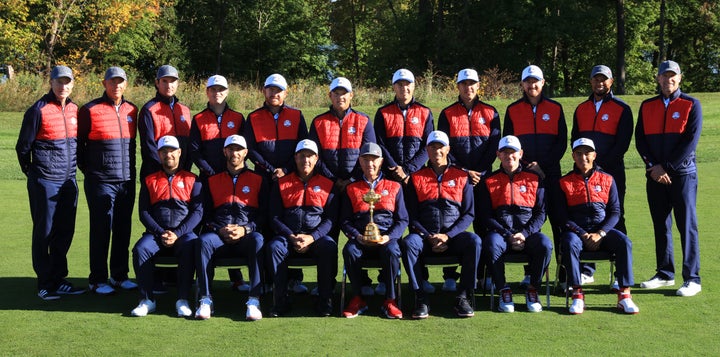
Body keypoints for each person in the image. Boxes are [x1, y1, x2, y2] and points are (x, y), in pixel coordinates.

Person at [16, 65, 85, 300]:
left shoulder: (76, 109)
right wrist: (34, 173)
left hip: (68, 181)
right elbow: (23, 148)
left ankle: (58, 278)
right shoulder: (38, 110)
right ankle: (44, 283)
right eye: (59, 82)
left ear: (72, 84)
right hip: (45, 181)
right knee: (44, 232)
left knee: (64, 231)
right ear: (51, 82)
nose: (63, 86)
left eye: (67, 82)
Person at [635, 60, 702, 297]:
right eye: (664, 76)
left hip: (682, 176)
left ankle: (692, 278)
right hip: (654, 175)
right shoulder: (647, 106)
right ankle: (664, 273)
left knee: (686, 225)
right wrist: (654, 167)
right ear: (658, 78)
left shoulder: (691, 104)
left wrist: (667, 167)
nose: (668, 80)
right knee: (661, 224)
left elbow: (690, 142)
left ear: (680, 78)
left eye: (672, 76)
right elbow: (640, 140)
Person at [402, 131, 481, 319]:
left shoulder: (462, 177)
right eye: (432, 147)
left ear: (448, 149)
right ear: (427, 150)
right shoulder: (416, 177)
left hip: (453, 237)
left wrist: (448, 235)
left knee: (474, 241)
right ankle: (420, 297)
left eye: (440, 147)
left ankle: (463, 296)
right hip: (425, 237)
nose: (436, 150)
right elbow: (411, 215)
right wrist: (429, 236)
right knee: (408, 243)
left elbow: (469, 214)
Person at [557, 138, 639, 315]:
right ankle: (577, 295)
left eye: (587, 153)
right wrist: (583, 234)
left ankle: (625, 296)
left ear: (594, 155)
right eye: (579, 153)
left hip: (602, 231)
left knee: (624, 242)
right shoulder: (564, 182)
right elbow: (561, 217)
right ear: (573, 156)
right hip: (577, 232)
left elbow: (615, 212)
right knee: (569, 243)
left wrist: (600, 233)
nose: (583, 157)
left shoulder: (607, 179)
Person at [437, 68, 501, 292]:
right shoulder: (447, 113)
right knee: (450, 222)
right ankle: (450, 276)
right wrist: (464, 171)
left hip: (482, 179)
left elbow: (494, 145)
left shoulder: (491, 112)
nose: (468, 87)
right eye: (464, 84)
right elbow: (445, 149)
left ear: (478, 85)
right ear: (458, 87)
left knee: (484, 226)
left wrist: (480, 172)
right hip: (455, 179)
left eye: (472, 83)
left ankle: (484, 274)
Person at [503, 65, 567, 287]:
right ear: (522, 84)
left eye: (536, 81)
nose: (532, 85)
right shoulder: (512, 110)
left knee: (560, 223)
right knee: (528, 220)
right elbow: (509, 144)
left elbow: (561, 142)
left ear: (543, 82)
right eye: (528, 82)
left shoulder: (556, 108)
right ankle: (531, 273)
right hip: (525, 175)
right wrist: (529, 165)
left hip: (551, 174)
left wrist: (544, 167)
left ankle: (564, 274)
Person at [245, 73, 309, 294]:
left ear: (286, 92)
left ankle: (293, 278)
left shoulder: (296, 115)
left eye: (279, 89)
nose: (274, 93)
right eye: (270, 89)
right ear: (264, 91)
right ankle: (266, 280)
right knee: (264, 227)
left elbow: (303, 147)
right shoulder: (253, 117)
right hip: (263, 180)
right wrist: (271, 170)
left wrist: (287, 169)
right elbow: (250, 149)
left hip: (290, 180)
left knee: (292, 224)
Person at [77, 66, 139, 295]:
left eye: (120, 82)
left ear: (126, 84)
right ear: (104, 84)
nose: (116, 86)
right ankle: (97, 279)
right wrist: (91, 171)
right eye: (112, 82)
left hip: (126, 180)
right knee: (101, 229)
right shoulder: (90, 109)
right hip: (100, 181)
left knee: (123, 228)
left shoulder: (133, 110)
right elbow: (78, 145)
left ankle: (119, 276)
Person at [373, 68, 435, 295]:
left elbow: (427, 146)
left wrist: (408, 170)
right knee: (386, 225)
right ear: (393, 88)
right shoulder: (383, 112)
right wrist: (395, 170)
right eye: (399, 85)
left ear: (414, 86)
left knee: (419, 228)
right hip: (390, 180)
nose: (404, 88)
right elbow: (380, 144)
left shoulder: (425, 112)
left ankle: (422, 276)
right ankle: (384, 276)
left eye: (408, 84)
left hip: (416, 179)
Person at [195, 135, 267, 321]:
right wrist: (219, 229)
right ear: (224, 152)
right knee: (203, 241)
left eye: (238, 150)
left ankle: (253, 299)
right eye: (231, 149)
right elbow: (205, 214)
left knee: (258, 240)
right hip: (219, 235)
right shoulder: (212, 180)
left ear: (245, 153)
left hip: (246, 235)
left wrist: (246, 229)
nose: (235, 153)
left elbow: (264, 215)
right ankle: (205, 299)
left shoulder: (258, 179)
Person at [478, 135, 552, 313]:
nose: (509, 156)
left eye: (513, 153)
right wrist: (508, 234)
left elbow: (541, 213)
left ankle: (533, 289)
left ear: (520, 154)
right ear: (498, 155)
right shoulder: (489, 180)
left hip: (528, 233)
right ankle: (503, 289)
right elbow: (485, 216)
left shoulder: (534, 179)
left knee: (545, 244)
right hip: (502, 233)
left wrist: (524, 234)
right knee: (491, 243)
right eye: (505, 153)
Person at [130, 136, 202, 317]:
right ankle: (147, 299)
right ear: (158, 154)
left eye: (172, 151)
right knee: (140, 249)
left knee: (191, 246)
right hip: (156, 233)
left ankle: (183, 299)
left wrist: (177, 233)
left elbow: (198, 213)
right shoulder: (150, 180)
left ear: (179, 153)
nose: (168, 155)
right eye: (164, 151)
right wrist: (161, 232)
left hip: (184, 234)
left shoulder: (193, 179)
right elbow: (144, 213)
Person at [189, 74, 248, 292]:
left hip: (234, 177)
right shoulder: (199, 118)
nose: (217, 93)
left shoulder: (238, 117)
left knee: (234, 217)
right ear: (207, 92)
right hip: (209, 179)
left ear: (227, 92)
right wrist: (212, 172)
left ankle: (237, 277)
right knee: (207, 224)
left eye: (221, 89)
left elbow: (243, 148)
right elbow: (195, 151)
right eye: (213, 89)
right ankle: (203, 277)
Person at [266, 139, 338, 317]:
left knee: (329, 247)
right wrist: (291, 236)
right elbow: (274, 217)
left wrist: (311, 237)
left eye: (310, 156)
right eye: (302, 156)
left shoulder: (328, 184)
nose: (306, 160)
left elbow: (330, 219)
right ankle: (280, 301)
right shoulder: (281, 183)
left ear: (316, 159)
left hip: (316, 238)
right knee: (274, 247)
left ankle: (324, 300)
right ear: (295, 158)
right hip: (288, 237)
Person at [341, 143, 408, 319]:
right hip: (361, 237)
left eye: (374, 159)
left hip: (386, 237)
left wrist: (389, 236)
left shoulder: (395, 186)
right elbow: (345, 221)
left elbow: (402, 219)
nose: (370, 164)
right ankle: (357, 298)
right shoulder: (351, 188)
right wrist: (357, 236)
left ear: (381, 161)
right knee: (349, 250)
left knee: (393, 250)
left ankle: (390, 300)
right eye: (365, 159)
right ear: (359, 161)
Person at [309, 77, 376, 192]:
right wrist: (333, 179)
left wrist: (352, 179)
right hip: (327, 183)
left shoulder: (363, 120)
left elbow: (370, 155)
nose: (340, 97)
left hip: (356, 182)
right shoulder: (319, 122)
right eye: (336, 93)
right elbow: (315, 156)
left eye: (344, 93)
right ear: (330, 95)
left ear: (351, 95)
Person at [138, 65, 192, 179]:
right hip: (156, 173)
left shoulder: (184, 110)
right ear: (157, 83)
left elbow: (189, 143)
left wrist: (184, 167)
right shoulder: (149, 109)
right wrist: (166, 169)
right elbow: (148, 146)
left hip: (182, 173)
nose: (169, 85)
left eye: (173, 81)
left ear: (177, 83)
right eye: (164, 81)